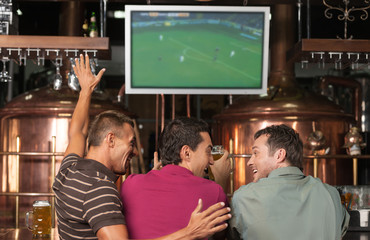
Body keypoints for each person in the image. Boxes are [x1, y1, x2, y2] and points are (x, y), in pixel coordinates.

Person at [52, 54, 231, 240]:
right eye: (131, 143)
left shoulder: (69, 168)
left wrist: (86, 91)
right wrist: (189, 233)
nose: (135, 152)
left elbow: (77, 131)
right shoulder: (99, 190)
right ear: (110, 140)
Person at [228, 124, 350, 240]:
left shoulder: (244, 197)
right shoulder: (331, 194)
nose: (250, 162)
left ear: (279, 155)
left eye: (256, 153)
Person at [120, 117, 232, 239]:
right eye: (208, 152)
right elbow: (220, 236)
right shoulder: (214, 191)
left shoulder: (130, 184)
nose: (211, 161)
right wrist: (220, 182)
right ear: (187, 153)